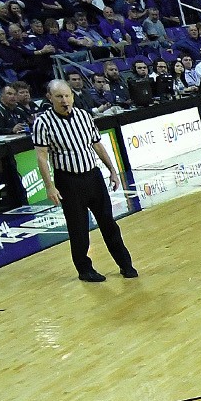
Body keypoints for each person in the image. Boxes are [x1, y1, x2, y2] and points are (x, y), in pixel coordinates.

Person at [29, 79, 136, 282]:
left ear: (73, 96)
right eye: (59, 97)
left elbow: (97, 145)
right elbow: (41, 156)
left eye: (67, 95)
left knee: (108, 222)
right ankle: (84, 270)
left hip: (93, 176)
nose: (64, 100)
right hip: (68, 180)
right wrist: (49, 186)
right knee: (78, 228)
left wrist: (112, 170)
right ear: (49, 98)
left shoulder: (84, 116)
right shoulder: (43, 123)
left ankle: (125, 264)